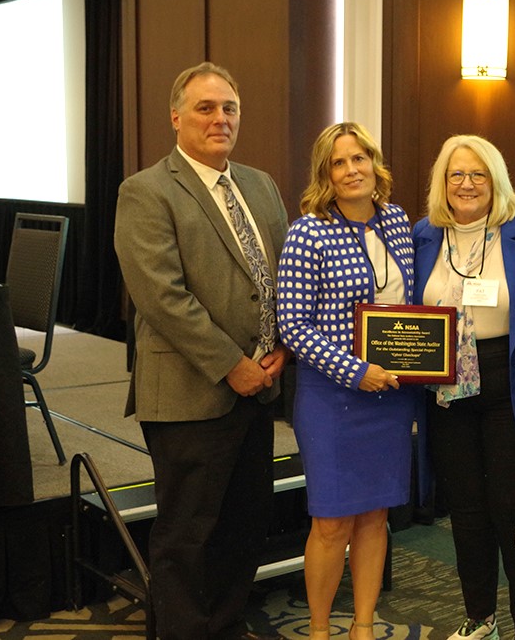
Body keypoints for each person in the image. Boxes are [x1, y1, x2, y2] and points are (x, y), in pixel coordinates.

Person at [114, 62, 291, 640]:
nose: (220, 119)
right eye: (206, 108)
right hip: (192, 392)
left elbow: (282, 278)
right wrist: (231, 365)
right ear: (176, 117)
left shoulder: (260, 184)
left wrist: (280, 349)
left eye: (229, 108)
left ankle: (226, 624)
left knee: (245, 524)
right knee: (189, 533)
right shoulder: (146, 191)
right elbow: (162, 298)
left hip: (259, 388)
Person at [413, 135, 515, 640]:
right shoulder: (423, 236)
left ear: (496, 179)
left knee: (512, 511)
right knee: (466, 510)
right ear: (442, 182)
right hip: (447, 385)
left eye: (478, 173)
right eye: (456, 174)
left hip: (511, 380)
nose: (467, 184)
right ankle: (480, 617)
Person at [276, 122, 419, 640]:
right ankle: (318, 629)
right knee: (332, 522)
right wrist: (357, 372)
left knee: (375, 518)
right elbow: (291, 325)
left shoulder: (399, 222)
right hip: (332, 399)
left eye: (359, 158)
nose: (352, 169)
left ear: (373, 163)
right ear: (326, 174)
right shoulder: (308, 231)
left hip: (391, 399)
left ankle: (363, 626)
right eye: (339, 162)